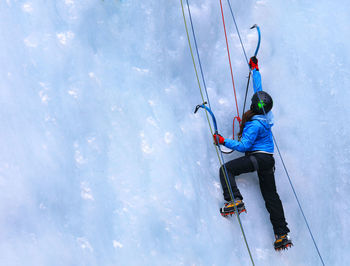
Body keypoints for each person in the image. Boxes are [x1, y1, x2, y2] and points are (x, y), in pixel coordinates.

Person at [213, 56, 292, 250]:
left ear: (253, 106)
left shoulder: (255, 125)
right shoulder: (267, 115)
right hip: (268, 161)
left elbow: (242, 145)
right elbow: (259, 89)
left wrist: (223, 140)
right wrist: (255, 70)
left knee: (226, 170)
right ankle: (281, 234)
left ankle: (234, 199)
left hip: (256, 157)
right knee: (271, 196)